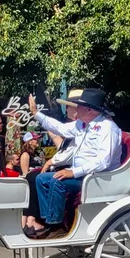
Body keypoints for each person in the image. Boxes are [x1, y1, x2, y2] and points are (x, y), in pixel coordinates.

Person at [24, 88, 122, 239]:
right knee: (41, 179)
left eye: (79, 106)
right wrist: (37, 114)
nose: (76, 108)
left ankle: (57, 225)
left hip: (98, 178)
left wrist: (73, 172)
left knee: (58, 181)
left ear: (89, 109)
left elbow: (104, 161)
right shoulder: (82, 125)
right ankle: (48, 221)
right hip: (84, 175)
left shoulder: (107, 128)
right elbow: (60, 128)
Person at [20, 90, 81, 232]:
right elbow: (62, 142)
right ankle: (32, 219)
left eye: (69, 106)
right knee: (34, 177)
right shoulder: (75, 126)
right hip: (67, 165)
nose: (66, 109)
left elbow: (69, 153)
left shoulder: (80, 127)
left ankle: (50, 222)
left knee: (42, 178)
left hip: (74, 169)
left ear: (78, 109)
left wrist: (50, 162)